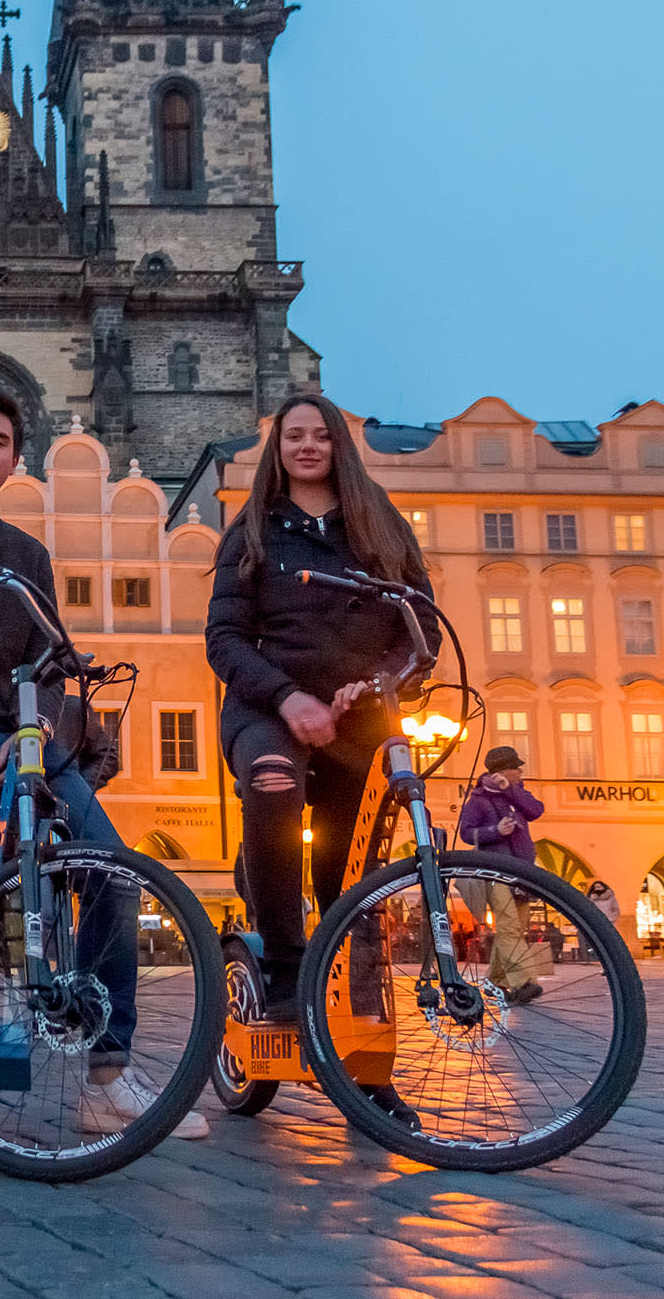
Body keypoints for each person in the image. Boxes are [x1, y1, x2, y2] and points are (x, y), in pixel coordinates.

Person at [0, 386, 202, 1141]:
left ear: (15, 459)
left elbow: (48, 666)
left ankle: (107, 1075)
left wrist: (33, 735)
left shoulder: (28, 557)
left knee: (111, 868)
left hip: (9, 731)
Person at [206, 393, 438, 1129]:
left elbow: (420, 624)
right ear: (279, 450)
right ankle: (281, 970)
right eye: (293, 436)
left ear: (340, 444)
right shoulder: (250, 532)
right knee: (273, 782)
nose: (307, 446)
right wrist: (286, 698)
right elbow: (224, 639)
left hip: (359, 717)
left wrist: (378, 684)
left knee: (355, 882)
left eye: (319, 435)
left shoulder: (381, 528)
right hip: (267, 708)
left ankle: (369, 1072)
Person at [455, 746, 549, 1006]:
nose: (520, 771)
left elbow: (536, 810)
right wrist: (495, 830)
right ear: (503, 770)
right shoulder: (478, 799)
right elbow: (466, 832)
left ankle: (495, 982)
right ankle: (523, 982)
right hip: (495, 872)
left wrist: (510, 790)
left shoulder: (516, 794)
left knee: (515, 928)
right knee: (508, 927)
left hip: (521, 872)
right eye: (515, 767)